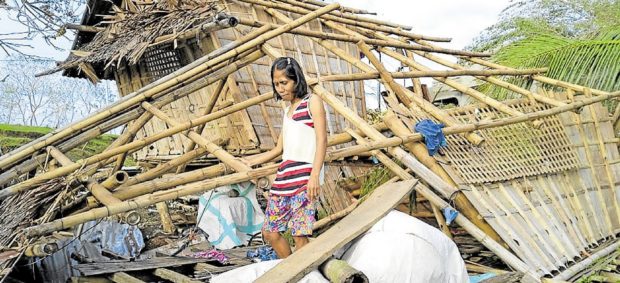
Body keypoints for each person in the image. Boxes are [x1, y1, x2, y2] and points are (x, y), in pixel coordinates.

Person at [243, 57, 327, 259]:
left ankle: (303, 275)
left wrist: (314, 175)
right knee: (270, 232)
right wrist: (251, 162)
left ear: (296, 80)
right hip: (284, 178)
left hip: (304, 178)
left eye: (284, 83)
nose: (280, 88)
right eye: (276, 84)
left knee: (300, 236)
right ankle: (291, 269)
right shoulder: (287, 110)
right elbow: (279, 149)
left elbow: (322, 139)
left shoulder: (312, 102)